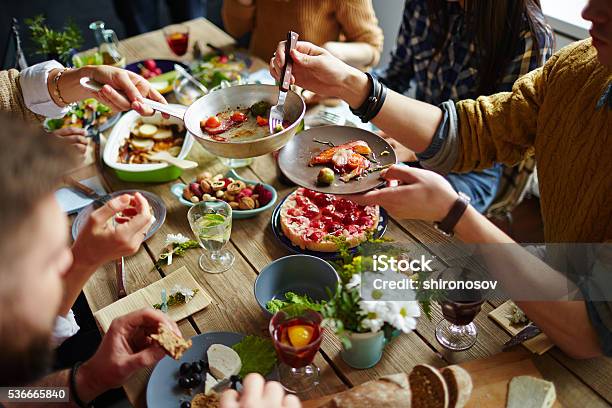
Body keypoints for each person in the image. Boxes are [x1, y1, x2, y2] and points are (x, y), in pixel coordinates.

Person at [270, 0, 612, 359]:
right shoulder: (579, 62)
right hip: (560, 268)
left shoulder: (530, 35)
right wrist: (350, 83)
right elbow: (478, 129)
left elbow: (591, 330)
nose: (589, 13)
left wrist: (454, 213)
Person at [374, 0, 553, 213]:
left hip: (473, 170)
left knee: (399, 212)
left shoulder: (529, 37)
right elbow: (395, 75)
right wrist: (352, 85)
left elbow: (502, 141)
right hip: (412, 138)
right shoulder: (422, 5)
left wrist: (419, 148)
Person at [222, 0, 383, 68]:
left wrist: (332, 51)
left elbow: (372, 48)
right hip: (256, 72)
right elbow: (236, 30)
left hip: (308, 91)